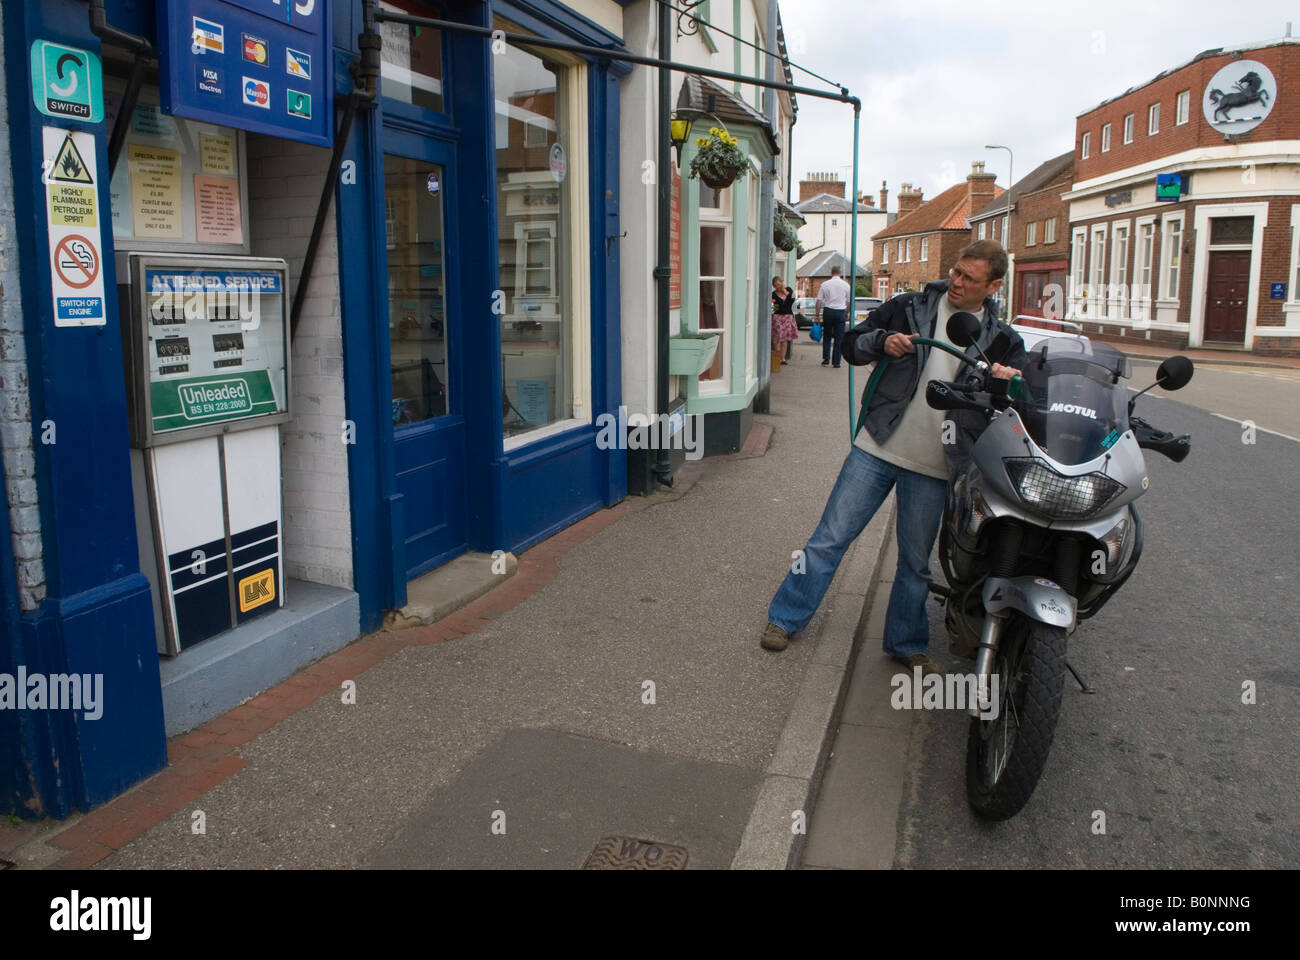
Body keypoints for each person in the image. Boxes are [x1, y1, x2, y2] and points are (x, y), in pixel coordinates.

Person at [759, 240, 1027, 675]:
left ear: (994, 286)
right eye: (957, 272)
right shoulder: (908, 307)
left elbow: (1019, 400)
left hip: (937, 464)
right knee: (829, 539)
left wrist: (1008, 380)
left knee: (915, 564)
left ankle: (905, 642)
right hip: (878, 445)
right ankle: (784, 619)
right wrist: (883, 342)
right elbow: (850, 343)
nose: (957, 282)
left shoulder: (1004, 341)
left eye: (970, 279)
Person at [816, 265, 851, 367]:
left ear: (831, 273)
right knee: (839, 338)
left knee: (827, 335)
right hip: (840, 312)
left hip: (828, 311)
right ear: (840, 273)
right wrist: (846, 313)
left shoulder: (825, 284)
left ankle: (826, 358)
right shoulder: (846, 285)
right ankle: (836, 362)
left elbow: (819, 301)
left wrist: (817, 315)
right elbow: (849, 301)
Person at [771, 276, 798, 364]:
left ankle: (782, 358)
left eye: (779, 284)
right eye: (776, 285)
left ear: (782, 282)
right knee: (777, 337)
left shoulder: (789, 290)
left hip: (788, 317)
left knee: (785, 338)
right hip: (777, 316)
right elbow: (773, 308)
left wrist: (785, 292)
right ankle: (777, 358)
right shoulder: (773, 294)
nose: (778, 287)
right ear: (774, 286)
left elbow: (793, 301)